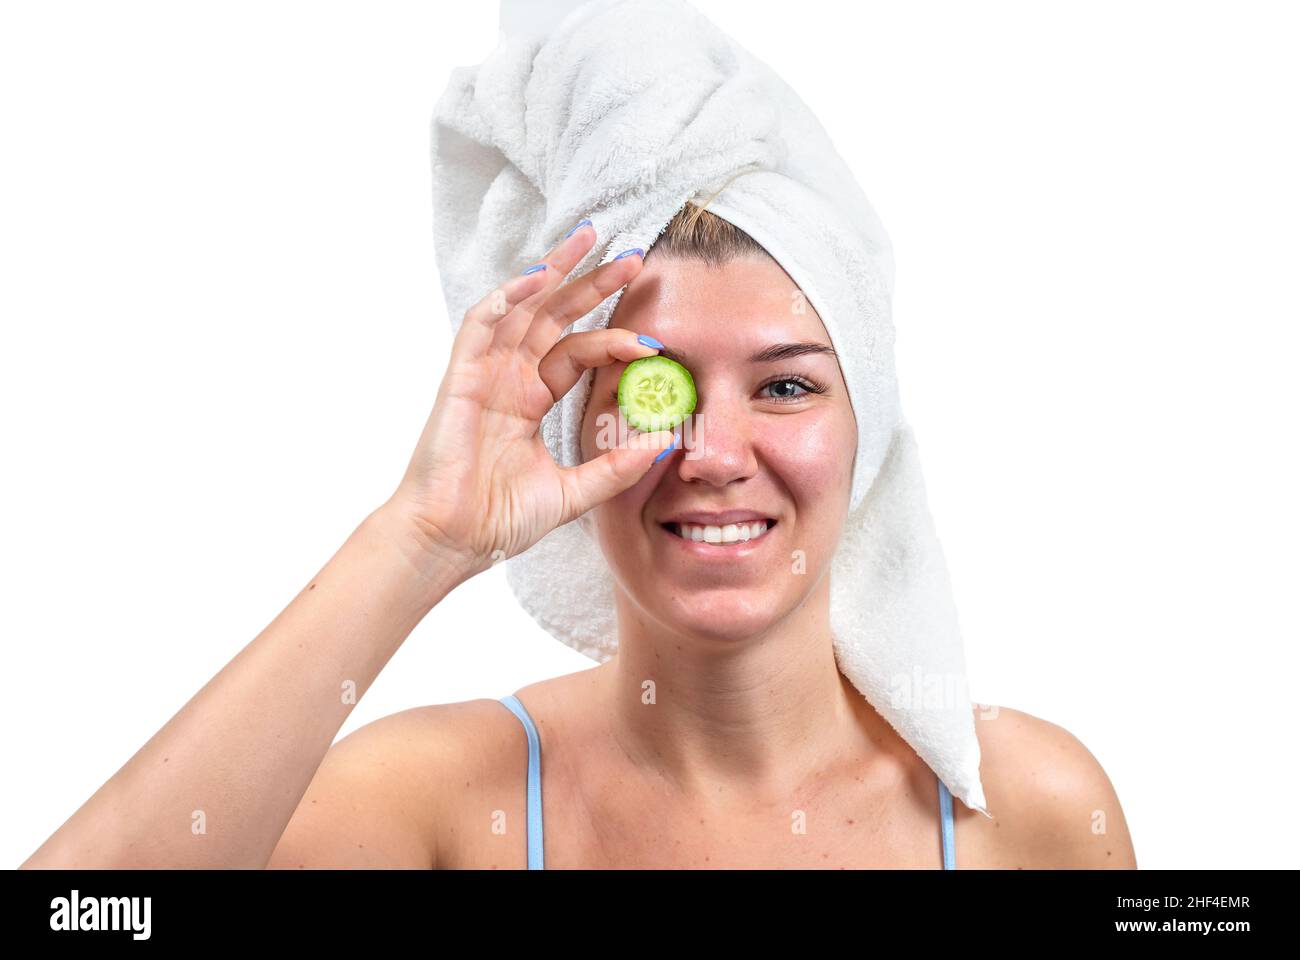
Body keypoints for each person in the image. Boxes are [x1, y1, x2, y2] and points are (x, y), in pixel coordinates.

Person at [20, 200, 1136, 870]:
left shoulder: (1026, 805)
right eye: (652, 391)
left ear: (869, 433)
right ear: (573, 426)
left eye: (787, 386)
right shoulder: (438, 800)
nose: (710, 450)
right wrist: (419, 538)